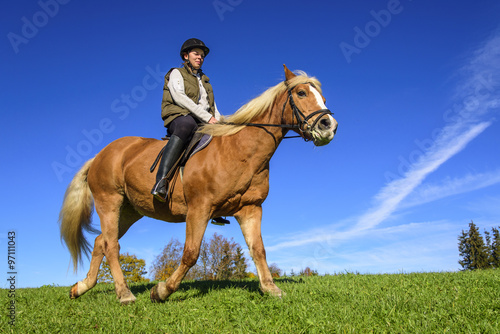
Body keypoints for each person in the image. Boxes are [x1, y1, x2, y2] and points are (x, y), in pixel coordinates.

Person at [151, 38, 222, 202]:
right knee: (187, 124)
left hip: (202, 120)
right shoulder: (176, 73)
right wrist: (207, 118)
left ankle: (217, 195)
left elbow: (213, 106)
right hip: (178, 115)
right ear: (185, 56)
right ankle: (161, 182)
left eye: (202, 55)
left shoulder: (206, 81)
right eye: (196, 54)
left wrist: (219, 122)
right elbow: (180, 98)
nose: (200, 57)